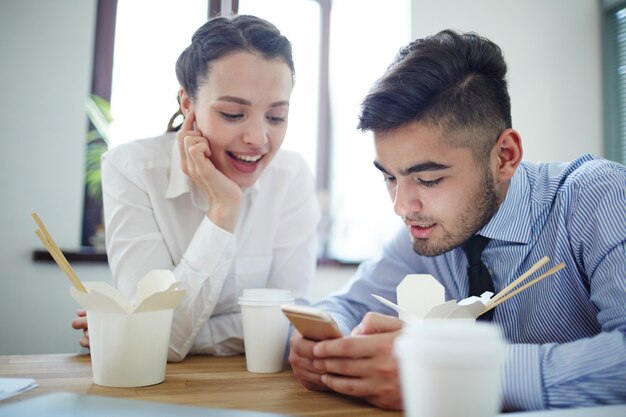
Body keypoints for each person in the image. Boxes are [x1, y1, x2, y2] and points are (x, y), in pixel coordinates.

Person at [288, 29, 626, 411]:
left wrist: (453, 375)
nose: (402, 205)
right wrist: (324, 345)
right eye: (389, 177)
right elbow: (347, 306)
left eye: (428, 179)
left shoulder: (599, 198)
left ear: (505, 157)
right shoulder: (426, 230)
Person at [72, 14, 321, 361]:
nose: (258, 139)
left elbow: (288, 322)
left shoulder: (290, 174)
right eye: (234, 114)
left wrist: (143, 330)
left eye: (276, 117)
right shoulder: (132, 170)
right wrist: (223, 211)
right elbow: (157, 343)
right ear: (188, 104)